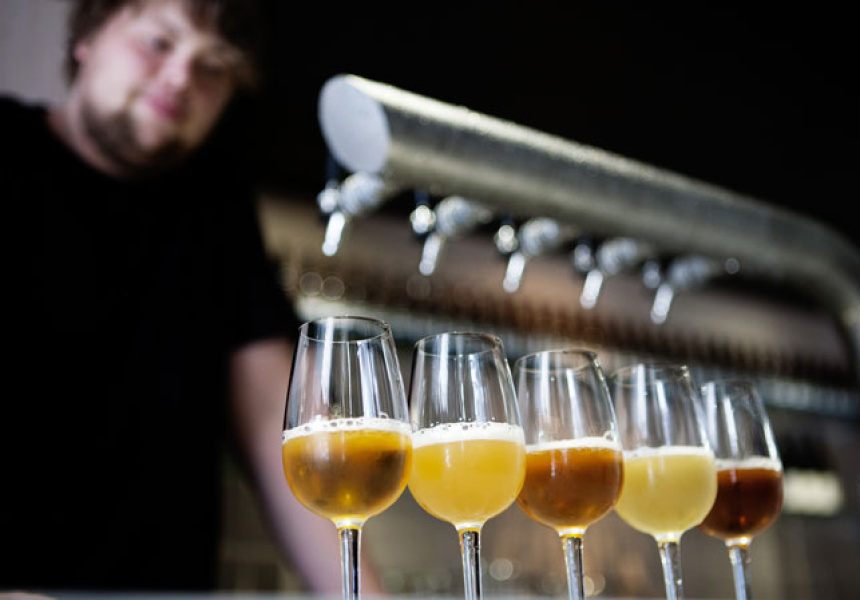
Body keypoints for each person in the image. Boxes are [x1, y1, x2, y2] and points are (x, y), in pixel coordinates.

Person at [0, 0, 374, 594]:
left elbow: (277, 428)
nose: (181, 78)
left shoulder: (216, 207)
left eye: (214, 66)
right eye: (158, 41)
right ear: (87, 37)